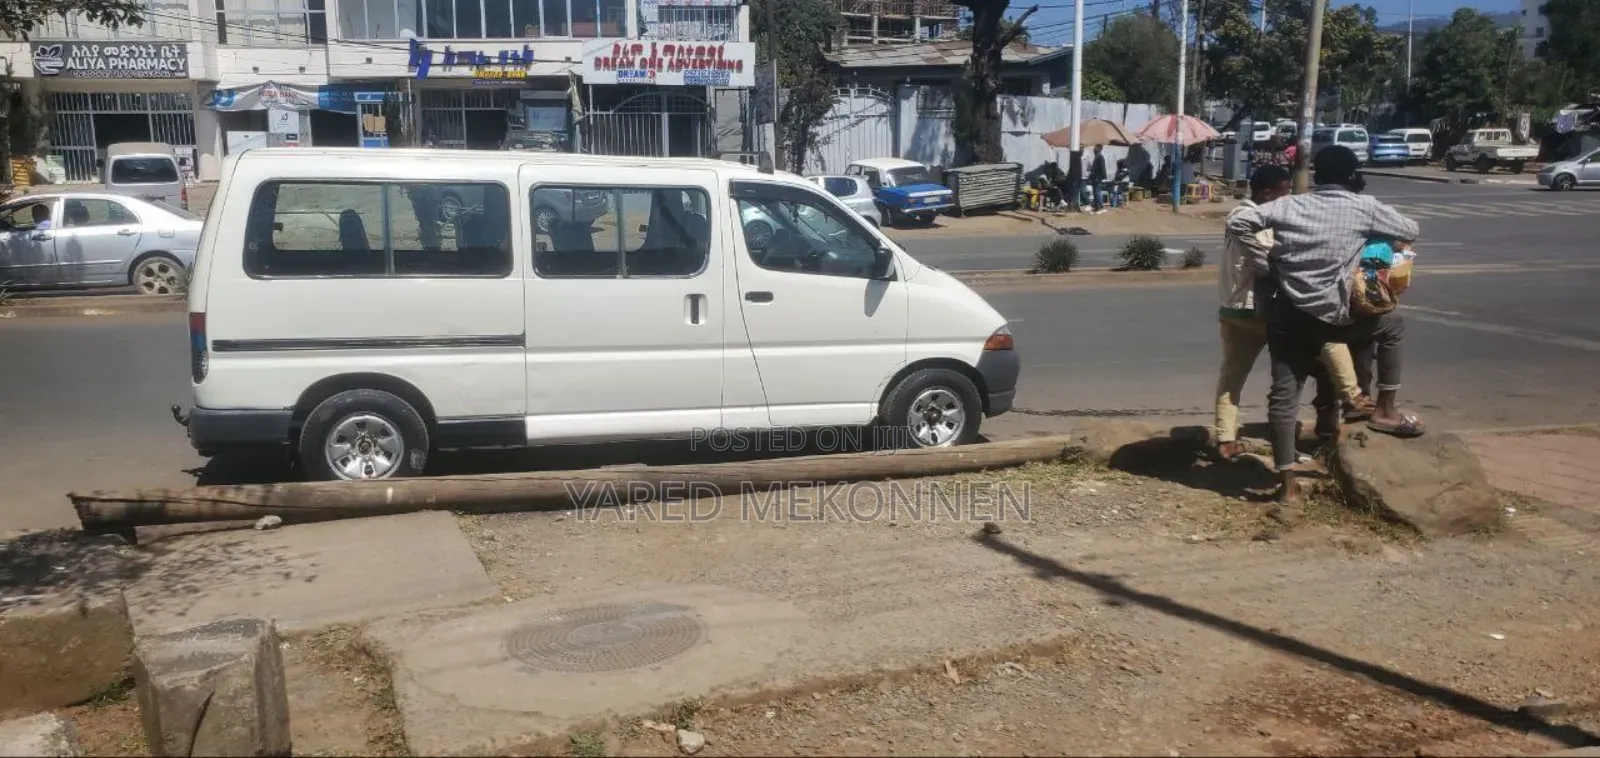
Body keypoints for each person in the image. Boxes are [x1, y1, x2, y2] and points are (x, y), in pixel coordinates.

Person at [1227, 146, 1423, 502]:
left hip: (1289, 317)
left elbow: (1238, 222)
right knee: (1392, 327)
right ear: (1351, 176)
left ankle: (1287, 486)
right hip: (1337, 322)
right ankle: (1385, 409)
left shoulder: (1291, 204)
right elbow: (1411, 229)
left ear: (1316, 175)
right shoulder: (1364, 207)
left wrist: (1265, 260)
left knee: (1284, 397)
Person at [1089, 145, 1107, 214]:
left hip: (1097, 179)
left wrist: (1099, 178)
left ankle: (1101, 207)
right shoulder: (1096, 157)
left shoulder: (1100, 157)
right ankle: (1096, 207)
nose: (1094, 150)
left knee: (1097, 193)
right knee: (1095, 193)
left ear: (1099, 149)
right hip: (1094, 179)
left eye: (1095, 148)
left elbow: (1102, 169)